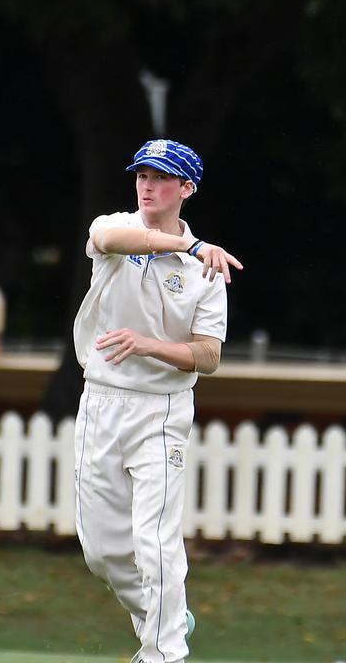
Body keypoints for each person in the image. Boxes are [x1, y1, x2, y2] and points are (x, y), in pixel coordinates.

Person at [70, 138, 242, 663]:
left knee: (156, 540)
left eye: (162, 178)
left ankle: (164, 653)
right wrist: (184, 247)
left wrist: (148, 346)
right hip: (100, 401)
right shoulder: (117, 228)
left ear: (187, 189)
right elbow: (108, 237)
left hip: (161, 410)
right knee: (101, 551)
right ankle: (164, 619)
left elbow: (208, 357)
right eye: (142, 175)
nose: (148, 186)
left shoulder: (207, 273)